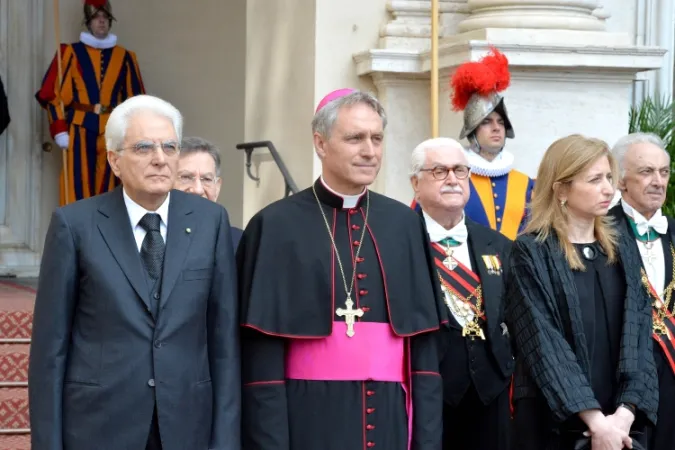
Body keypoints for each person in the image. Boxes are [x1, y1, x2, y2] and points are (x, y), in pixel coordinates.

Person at [28, 95, 240, 450]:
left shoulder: (210, 222)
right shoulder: (74, 224)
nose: (160, 158)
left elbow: (223, 345)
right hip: (99, 427)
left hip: (187, 425)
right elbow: (50, 351)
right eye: (143, 147)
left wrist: (226, 441)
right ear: (114, 159)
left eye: (169, 147)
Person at [238, 88, 446, 450]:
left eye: (377, 138)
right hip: (308, 420)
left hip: (390, 421)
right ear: (320, 143)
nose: (370, 150)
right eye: (355, 138)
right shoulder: (275, 226)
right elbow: (262, 368)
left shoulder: (404, 224)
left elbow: (424, 357)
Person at [505, 134, 658, 450]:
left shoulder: (622, 248)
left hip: (620, 426)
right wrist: (595, 422)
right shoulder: (531, 252)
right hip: (554, 425)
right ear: (561, 189)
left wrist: (624, 414)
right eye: (595, 179)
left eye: (609, 178)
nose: (609, 189)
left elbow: (641, 335)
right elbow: (542, 342)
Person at [409, 137, 514, 450]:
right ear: (416, 183)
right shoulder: (401, 240)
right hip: (429, 390)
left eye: (460, 170)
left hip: (492, 393)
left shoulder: (498, 244)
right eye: (439, 171)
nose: (453, 179)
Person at [36, 0, 145, 205]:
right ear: (88, 22)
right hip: (79, 128)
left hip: (113, 129)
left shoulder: (125, 57)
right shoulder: (69, 53)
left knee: (112, 185)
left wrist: (133, 134)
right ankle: (77, 233)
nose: (101, 22)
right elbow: (53, 95)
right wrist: (59, 129)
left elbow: (136, 100)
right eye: (96, 18)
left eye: (105, 18)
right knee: (77, 185)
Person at [608, 132, 674, 450]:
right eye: (646, 172)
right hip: (624, 381)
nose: (658, 181)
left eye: (664, 172)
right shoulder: (601, 231)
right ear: (621, 181)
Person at [446, 47, 534, 240]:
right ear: (473, 131)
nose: (496, 128)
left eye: (500, 122)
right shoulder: (451, 179)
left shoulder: (527, 185)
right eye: (486, 122)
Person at [176, 136, 243, 248]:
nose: (198, 190)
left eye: (206, 179)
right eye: (186, 177)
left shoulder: (238, 242)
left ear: (217, 187)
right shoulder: (154, 240)